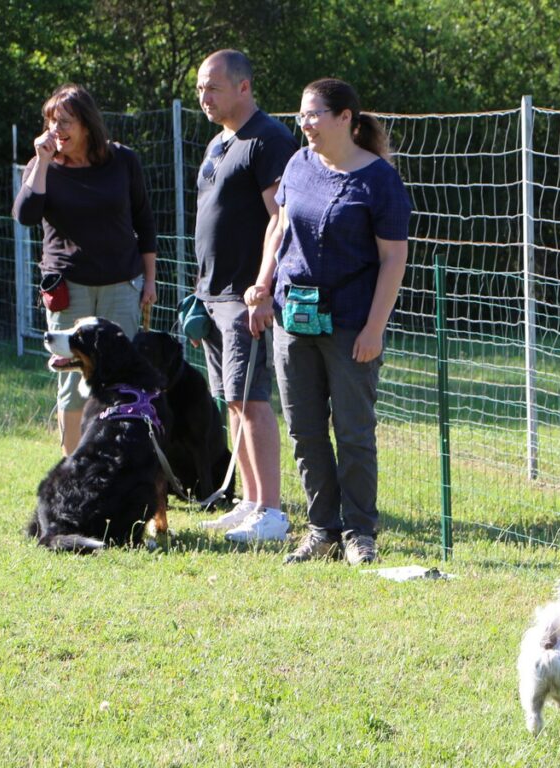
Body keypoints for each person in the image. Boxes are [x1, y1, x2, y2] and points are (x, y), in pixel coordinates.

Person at [245, 78, 411, 565]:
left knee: (354, 432)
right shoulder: (298, 164)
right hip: (292, 319)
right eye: (301, 115)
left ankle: (360, 533)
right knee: (305, 430)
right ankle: (322, 531)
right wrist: (262, 284)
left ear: (345, 118)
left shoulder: (379, 180)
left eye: (314, 114)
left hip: (351, 326)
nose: (305, 124)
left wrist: (374, 328)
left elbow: (393, 259)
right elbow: (278, 227)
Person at [13, 83, 157, 456]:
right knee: (71, 388)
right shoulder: (43, 166)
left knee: (121, 380)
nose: (56, 130)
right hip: (69, 290)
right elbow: (25, 215)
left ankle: (119, 463)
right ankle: (74, 469)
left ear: (87, 125)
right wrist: (42, 162)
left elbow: (144, 221)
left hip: (121, 286)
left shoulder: (123, 161)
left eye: (65, 122)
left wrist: (150, 280)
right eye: (51, 122)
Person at [192, 50, 299, 544]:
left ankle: (272, 513)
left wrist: (262, 285)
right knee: (231, 398)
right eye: (200, 88)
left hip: (245, 293)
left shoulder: (268, 139)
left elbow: (281, 218)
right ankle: (251, 502)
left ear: (244, 87)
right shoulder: (219, 142)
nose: (204, 97)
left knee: (252, 398)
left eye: (213, 87)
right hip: (212, 293)